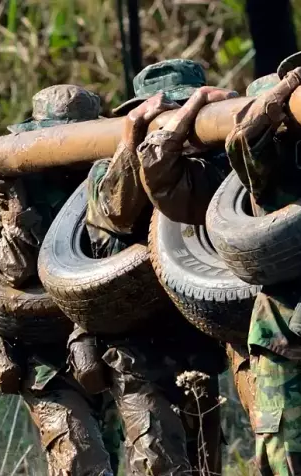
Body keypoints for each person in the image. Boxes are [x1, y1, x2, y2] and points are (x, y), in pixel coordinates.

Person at [136, 39, 301, 475]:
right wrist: (293, 87)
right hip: (287, 343)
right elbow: (245, 138)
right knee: (289, 468)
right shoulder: (280, 154)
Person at [81, 59, 230, 476]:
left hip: (196, 342)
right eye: (170, 111)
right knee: (160, 464)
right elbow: (117, 211)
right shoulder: (106, 170)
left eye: (189, 109)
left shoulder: (215, 165)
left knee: (206, 465)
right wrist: (135, 142)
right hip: (136, 350)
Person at [0, 84, 123, 476]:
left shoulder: (101, 181)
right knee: (82, 462)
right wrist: (18, 206)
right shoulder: (6, 198)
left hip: (102, 348)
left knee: (115, 457)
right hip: (45, 359)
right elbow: (12, 270)